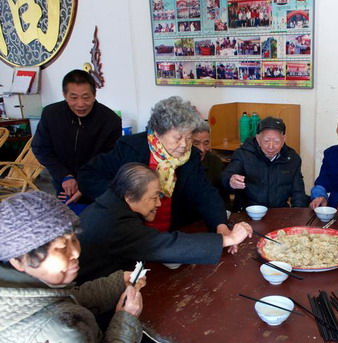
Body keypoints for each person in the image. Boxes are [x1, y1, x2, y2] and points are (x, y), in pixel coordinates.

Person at [0, 191, 181, 343]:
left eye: (74, 240)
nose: (76, 253)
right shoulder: (48, 334)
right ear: (19, 259)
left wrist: (116, 282)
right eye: (61, 248)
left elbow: (69, 298)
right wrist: (126, 320)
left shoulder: (20, 288)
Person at [78, 96, 236, 245]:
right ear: (158, 133)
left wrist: (220, 224)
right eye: (177, 138)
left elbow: (205, 193)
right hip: (132, 234)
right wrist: (124, 198)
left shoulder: (190, 157)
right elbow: (88, 175)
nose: (184, 145)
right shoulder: (130, 148)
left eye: (188, 138)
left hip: (171, 233)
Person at [77, 163, 252, 283]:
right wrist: (229, 239)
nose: (159, 204)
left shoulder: (109, 205)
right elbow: (166, 245)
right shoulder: (115, 223)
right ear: (130, 196)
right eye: (154, 197)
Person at [32, 69, 121, 205]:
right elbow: (40, 148)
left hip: (97, 187)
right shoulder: (51, 114)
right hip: (64, 185)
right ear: (64, 95)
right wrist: (64, 175)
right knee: (67, 220)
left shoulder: (110, 120)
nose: (80, 104)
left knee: (94, 222)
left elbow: (111, 159)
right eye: (73, 98)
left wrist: (86, 185)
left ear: (94, 94)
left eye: (86, 97)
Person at [221, 116, 309, 209]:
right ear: (258, 139)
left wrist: (296, 214)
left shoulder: (292, 159)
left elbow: (298, 193)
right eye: (266, 141)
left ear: (283, 139)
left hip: (278, 213)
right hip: (247, 213)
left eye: (276, 141)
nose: (271, 146)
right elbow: (226, 175)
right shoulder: (243, 154)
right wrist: (230, 181)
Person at [191, 120, 229, 205]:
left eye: (206, 143)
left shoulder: (215, 163)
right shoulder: (179, 164)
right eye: (196, 143)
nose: (202, 149)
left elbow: (224, 197)